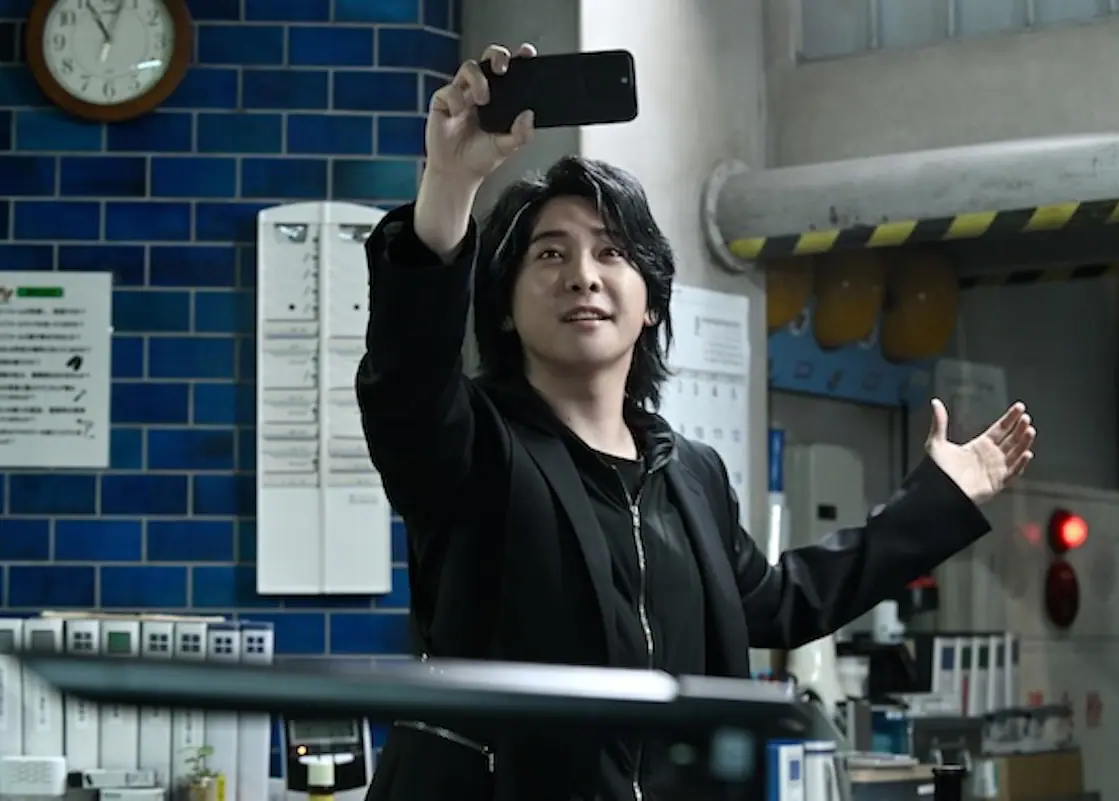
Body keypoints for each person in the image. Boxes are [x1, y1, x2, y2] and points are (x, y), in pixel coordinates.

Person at [358, 42, 1036, 801]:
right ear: (506, 309)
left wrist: (938, 498)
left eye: (611, 253)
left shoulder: (689, 473)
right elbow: (407, 378)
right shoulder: (472, 447)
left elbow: (783, 603)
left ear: (650, 303)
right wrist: (450, 181)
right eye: (549, 255)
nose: (582, 274)